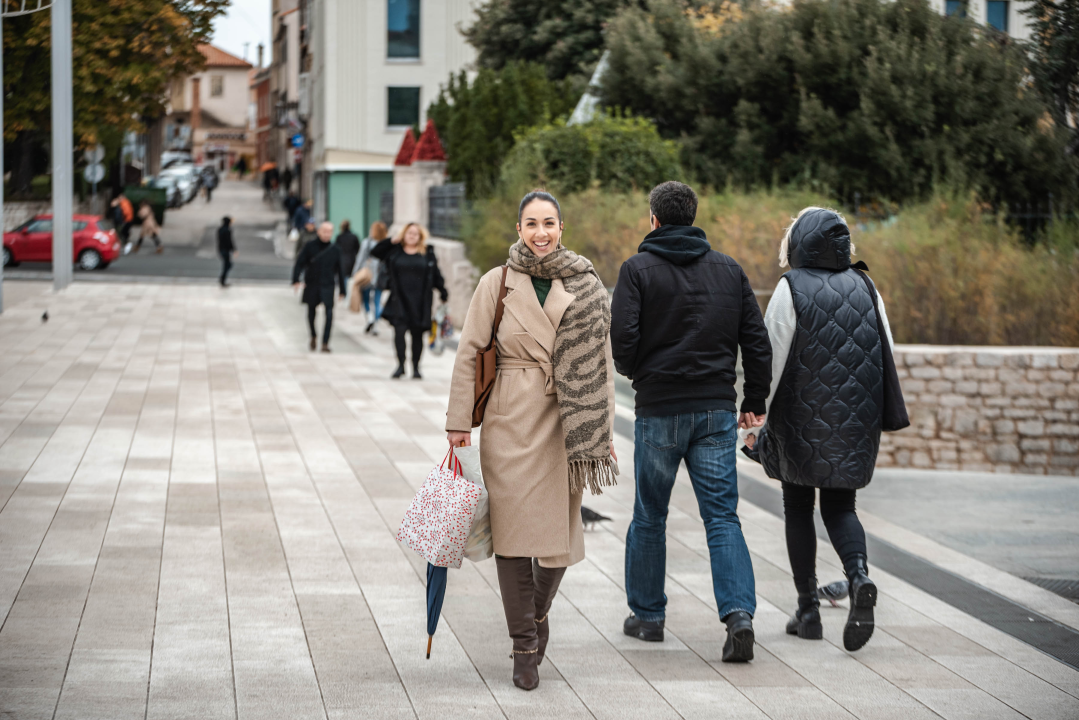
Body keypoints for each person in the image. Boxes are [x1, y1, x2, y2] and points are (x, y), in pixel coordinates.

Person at [445, 190, 617, 691]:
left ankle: (537, 617)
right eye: (530, 223)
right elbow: (469, 351)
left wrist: (600, 431)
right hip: (511, 418)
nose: (540, 232)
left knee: (558, 538)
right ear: (518, 229)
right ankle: (524, 645)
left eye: (549, 223)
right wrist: (459, 421)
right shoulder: (496, 283)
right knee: (515, 538)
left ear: (561, 227)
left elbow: (600, 363)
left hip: (570, 423)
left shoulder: (586, 284)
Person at [611, 181, 772, 663]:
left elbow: (622, 339)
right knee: (721, 515)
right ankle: (739, 615)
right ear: (693, 216)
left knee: (649, 514)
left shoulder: (636, 270)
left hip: (659, 409)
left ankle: (648, 617)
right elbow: (757, 341)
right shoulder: (729, 270)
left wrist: (639, 372)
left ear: (654, 219)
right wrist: (754, 398)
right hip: (715, 411)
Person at [741, 207, 893, 652]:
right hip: (856, 419)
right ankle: (859, 575)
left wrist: (751, 422)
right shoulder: (868, 286)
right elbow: (885, 350)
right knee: (842, 506)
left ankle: (808, 610)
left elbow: (769, 358)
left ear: (799, 243)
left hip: (800, 419)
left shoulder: (792, 288)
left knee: (797, 505)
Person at [371, 222, 447, 379]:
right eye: (409, 233)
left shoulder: (427, 253)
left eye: (415, 233)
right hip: (398, 299)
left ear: (420, 237)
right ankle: (400, 365)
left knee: (417, 335)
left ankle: (416, 367)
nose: (412, 236)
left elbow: (436, 274)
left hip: (420, 301)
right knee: (399, 333)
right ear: (404, 234)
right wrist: (391, 240)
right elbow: (375, 252)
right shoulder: (395, 251)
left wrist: (442, 290)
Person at [292, 221, 347, 352]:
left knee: (329, 313)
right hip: (312, 283)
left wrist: (343, 290)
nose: (327, 234)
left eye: (329, 232)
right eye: (325, 231)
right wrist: (296, 280)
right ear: (319, 231)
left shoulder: (335, 249)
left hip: (328, 284)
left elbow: (340, 270)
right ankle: (313, 335)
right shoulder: (310, 246)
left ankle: (325, 343)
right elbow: (300, 263)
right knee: (311, 312)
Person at [355, 221, 387, 335]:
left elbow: (360, 258)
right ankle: (375, 323)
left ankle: (370, 318)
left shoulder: (367, 242)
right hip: (380, 276)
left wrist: (355, 272)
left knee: (366, 299)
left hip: (367, 275)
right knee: (377, 301)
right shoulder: (386, 243)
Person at [334, 220, 360, 291]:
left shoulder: (339, 237)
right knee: (349, 277)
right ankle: (348, 291)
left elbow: (335, 249)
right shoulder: (354, 236)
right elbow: (358, 249)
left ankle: (345, 291)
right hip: (351, 259)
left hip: (342, 259)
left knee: (343, 276)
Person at [218, 216, 236, 287]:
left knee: (227, 265)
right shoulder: (227, 230)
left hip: (221, 249)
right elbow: (229, 241)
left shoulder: (220, 229)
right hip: (225, 250)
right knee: (227, 265)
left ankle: (222, 279)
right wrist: (233, 249)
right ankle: (222, 280)